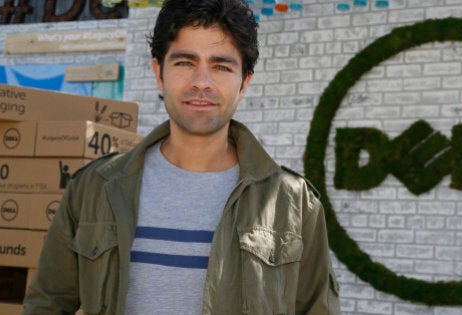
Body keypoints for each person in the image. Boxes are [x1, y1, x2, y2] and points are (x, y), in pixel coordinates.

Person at [22, 0, 340, 314]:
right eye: (185, 62)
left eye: (221, 66)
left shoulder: (293, 203)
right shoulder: (93, 188)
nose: (202, 82)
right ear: (159, 72)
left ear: (244, 83)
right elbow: (46, 304)